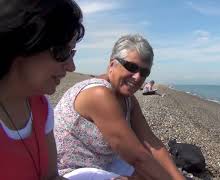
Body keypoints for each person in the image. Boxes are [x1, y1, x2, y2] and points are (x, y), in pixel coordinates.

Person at [54, 34, 185, 180]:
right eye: (131, 67)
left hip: (102, 164)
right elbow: (138, 157)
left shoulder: (128, 99)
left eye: (144, 72)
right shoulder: (98, 94)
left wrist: (178, 177)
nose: (137, 77)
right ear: (112, 64)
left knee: (154, 171)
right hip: (69, 171)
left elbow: (151, 143)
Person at [0, 0, 85, 179]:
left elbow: (51, 176)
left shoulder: (40, 105)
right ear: (25, 43)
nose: (71, 66)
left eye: (72, 52)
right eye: (62, 52)